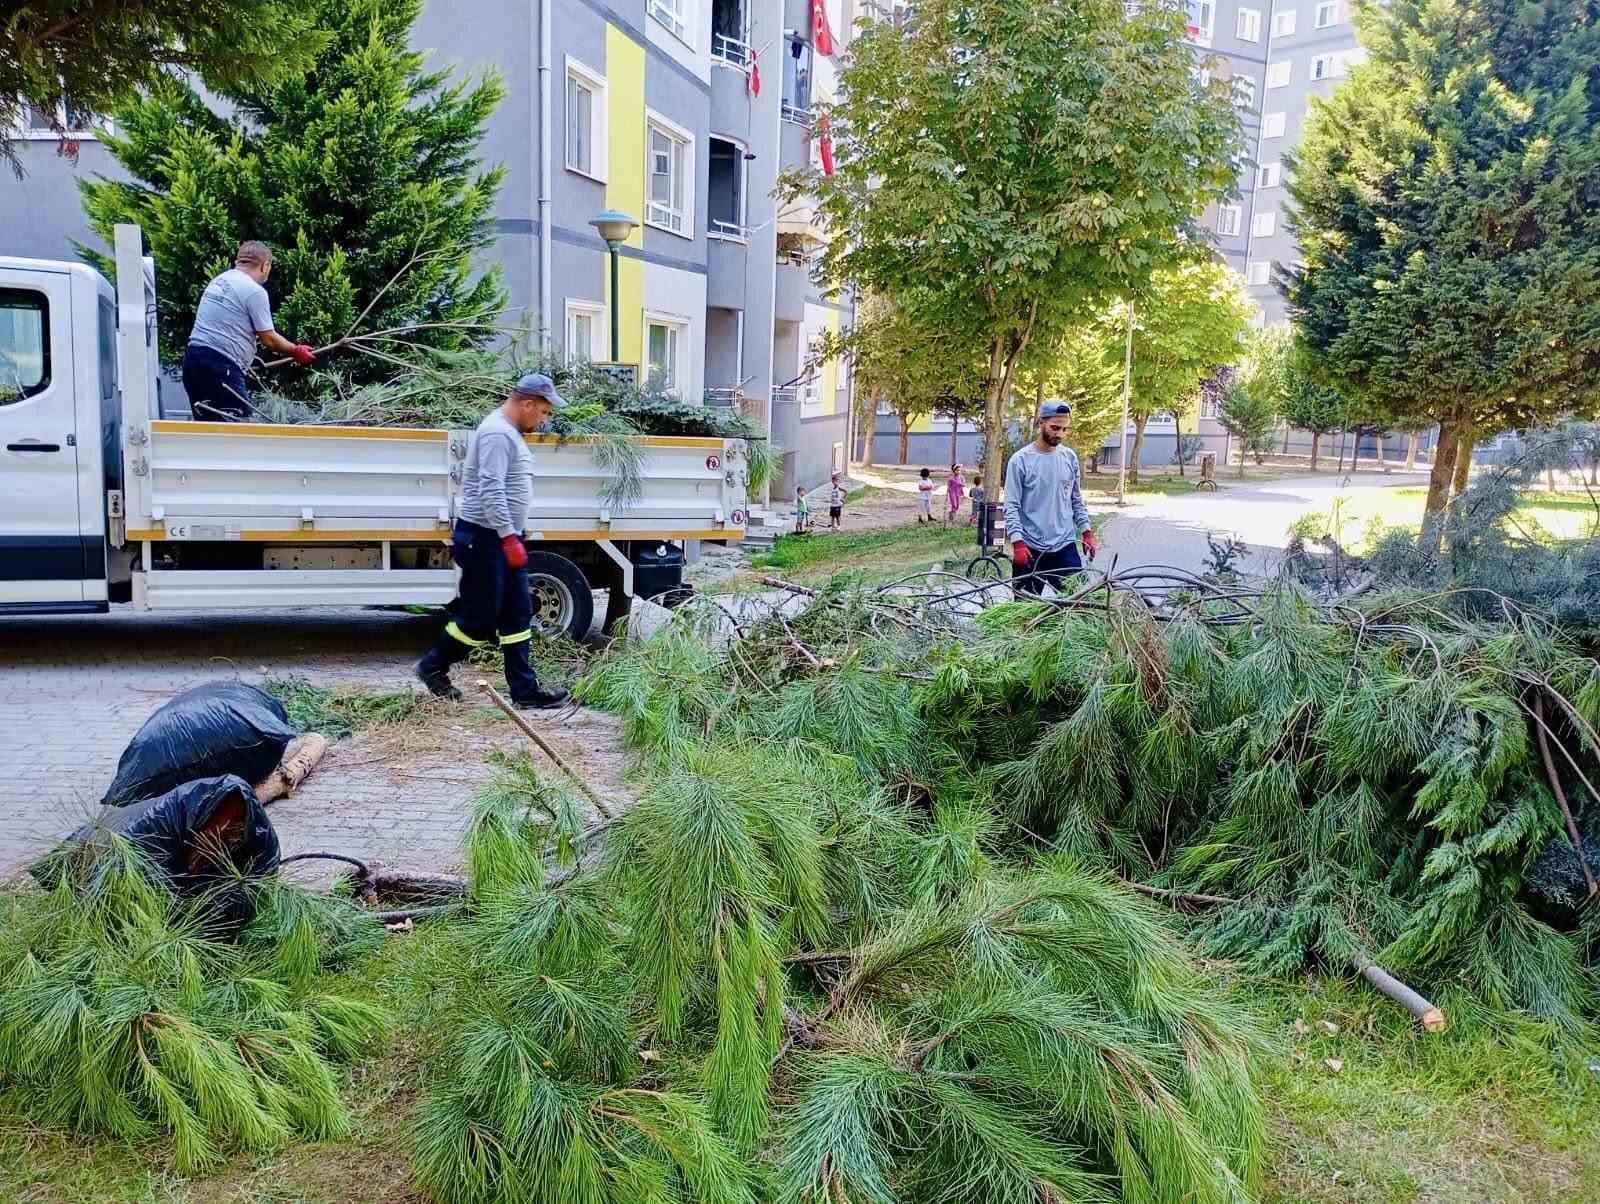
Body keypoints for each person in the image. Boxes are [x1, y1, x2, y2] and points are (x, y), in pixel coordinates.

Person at [415, 374, 570, 709]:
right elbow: (491, 489)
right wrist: (508, 536)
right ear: (527, 404)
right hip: (485, 539)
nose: (544, 420)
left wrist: (512, 534)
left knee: (518, 613)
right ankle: (433, 666)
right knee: (480, 618)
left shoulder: (508, 432)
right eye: (543, 412)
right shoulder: (497, 433)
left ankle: (525, 690)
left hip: (501, 537)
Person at [182, 241, 317, 420]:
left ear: (238, 261)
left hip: (192, 362)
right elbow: (269, 339)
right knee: (238, 427)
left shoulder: (219, 281)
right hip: (220, 367)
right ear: (265, 266)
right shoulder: (254, 291)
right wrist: (296, 350)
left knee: (209, 428)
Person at [1003, 400, 1099, 596]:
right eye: (1055, 428)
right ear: (1041, 423)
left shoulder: (1069, 458)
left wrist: (1086, 531)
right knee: (1024, 608)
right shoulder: (1020, 461)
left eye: (1065, 429)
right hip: (1029, 547)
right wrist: (1017, 542)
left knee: (1077, 603)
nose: (1060, 434)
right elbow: (1011, 505)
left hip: (1064, 545)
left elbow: (1076, 499)